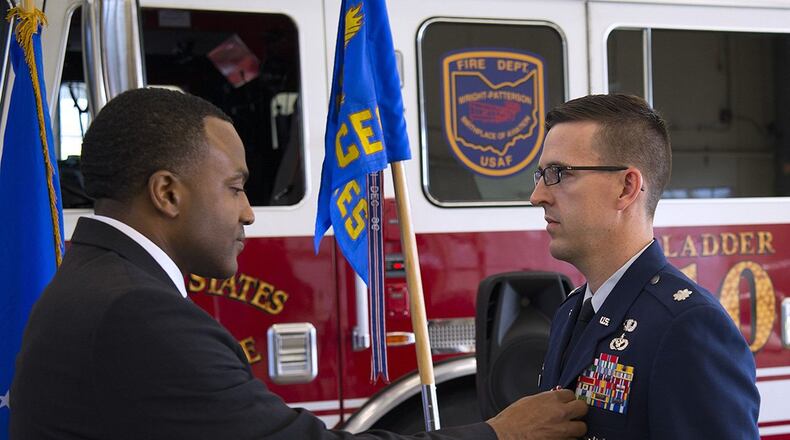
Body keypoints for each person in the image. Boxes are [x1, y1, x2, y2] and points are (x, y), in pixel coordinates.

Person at [10, 87, 586, 440]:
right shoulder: (139, 313)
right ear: (167, 193)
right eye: (236, 188)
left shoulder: (95, 281)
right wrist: (500, 434)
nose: (248, 214)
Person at [530, 94, 760, 439]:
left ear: (627, 187)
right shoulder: (570, 310)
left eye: (559, 173)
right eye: (541, 174)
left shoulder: (688, 326)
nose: (537, 195)